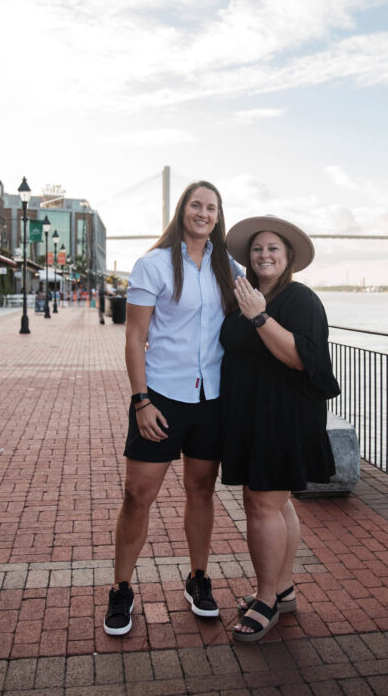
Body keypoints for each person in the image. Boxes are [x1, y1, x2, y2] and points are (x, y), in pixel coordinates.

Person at [104, 181, 237, 636]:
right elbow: (134, 338)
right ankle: (122, 588)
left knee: (201, 491)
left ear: (219, 217)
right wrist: (141, 400)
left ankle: (198, 578)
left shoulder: (228, 267)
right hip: (160, 399)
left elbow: (266, 289)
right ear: (182, 210)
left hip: (211, 400)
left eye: (212, 208)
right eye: (196, 205)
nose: (203, 213)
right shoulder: (153, 264)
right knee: (137, 495)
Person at [219, 216, 339, 643]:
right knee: (277, 502)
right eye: (257, 249)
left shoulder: (298, 298)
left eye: (273, 249)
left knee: (261, 504)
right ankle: (283, 588)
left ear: (287, 257)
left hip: (282, 416)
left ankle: (265, 600)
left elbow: (301, 359)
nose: (264, 255)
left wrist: (259, 316)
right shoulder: (245, 296)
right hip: (250, 414)